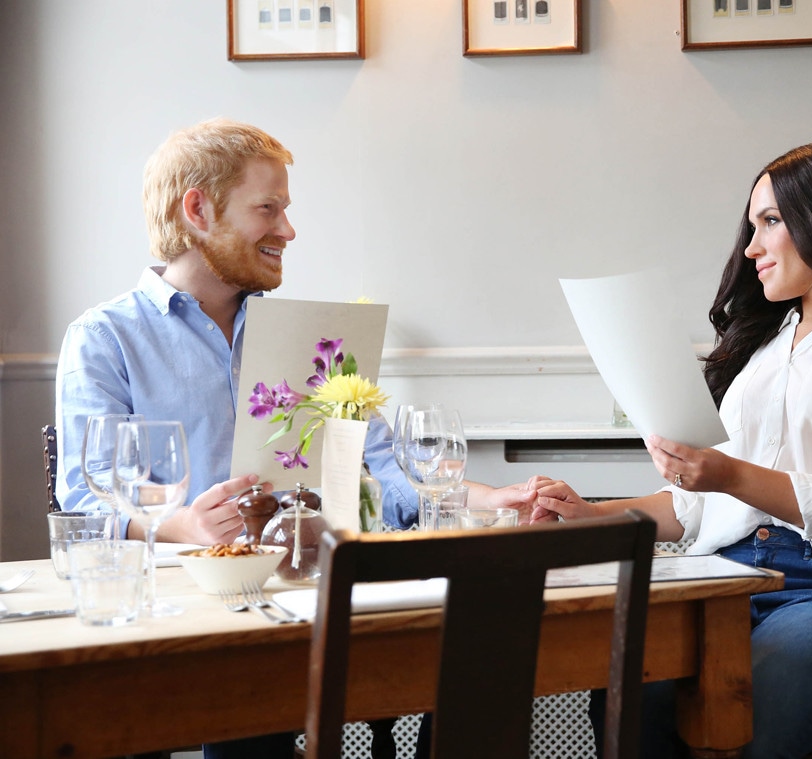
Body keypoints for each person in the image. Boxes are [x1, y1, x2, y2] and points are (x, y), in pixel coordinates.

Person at [55, 117, 537, 759]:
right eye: (269, 209)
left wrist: (487, 499)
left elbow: (383, 464)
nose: (288, 230)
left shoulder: (310, 334)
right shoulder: (104, 337)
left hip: (289, 608)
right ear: (197, 209)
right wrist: (184, 528)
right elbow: (87, 505)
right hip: (164, 616)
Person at [528, 142, 812, 759]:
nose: (750, 247)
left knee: (746, 715)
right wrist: (593, 515)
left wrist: (728, 473)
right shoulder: (761, 354)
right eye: (752, 225)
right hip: (724, 585)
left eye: (770, 221)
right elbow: (700, 506)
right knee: (629, 698)